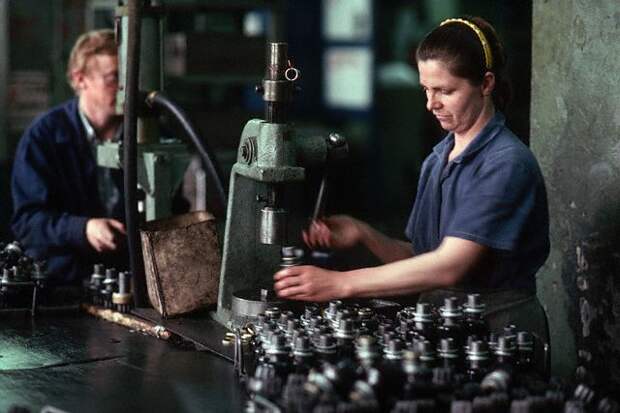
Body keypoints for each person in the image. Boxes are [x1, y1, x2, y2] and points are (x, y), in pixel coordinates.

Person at [274, 17, 550, 338]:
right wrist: (363, 233)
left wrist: (340, 283)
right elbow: (424, 260)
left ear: (486, 84)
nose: (431, 104)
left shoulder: (506, 164)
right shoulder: (438, 159)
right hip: (443, 326)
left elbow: (449, 266)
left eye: (445, 91)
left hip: (500, 331)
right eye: (426, 89)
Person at [11, 29, 127, 285]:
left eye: (129, 78)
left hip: (131, 281)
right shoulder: (44, 136)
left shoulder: (144, 135)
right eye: (114, 78)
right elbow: (27, 222)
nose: (124, 89)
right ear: (80, 79)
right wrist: (83, 229)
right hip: (64, 284)